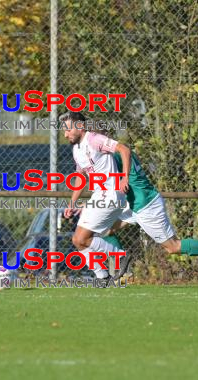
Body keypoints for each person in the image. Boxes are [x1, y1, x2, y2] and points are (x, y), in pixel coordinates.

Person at [109, 149, 198, 278]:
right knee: (104, 229)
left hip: (145, 205)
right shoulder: (118, 152)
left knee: (173, 247)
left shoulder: (114, 156)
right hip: (135, 202)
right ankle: (122, 271)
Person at [60, 111, 132, 279]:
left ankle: (121, 255)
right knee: (78, 240)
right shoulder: (76, 149)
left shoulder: (94, 139)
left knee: (83, 238)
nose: (65, 134)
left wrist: (124, 178)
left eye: (68, 130)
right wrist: (72, 203)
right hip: (99, 196)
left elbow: (124, 149)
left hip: (111, 194)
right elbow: (80, 178)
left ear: (80, 126)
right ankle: (102, 277)